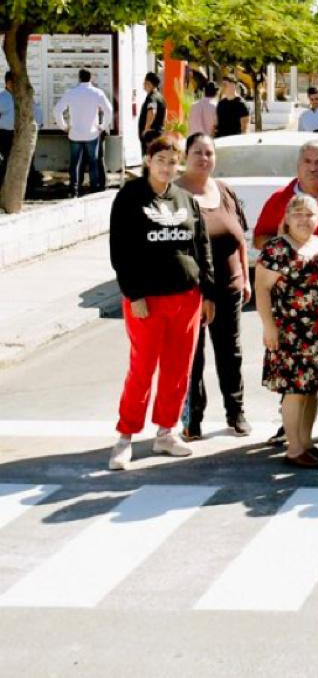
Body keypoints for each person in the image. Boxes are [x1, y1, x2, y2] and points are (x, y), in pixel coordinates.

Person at [107, 135, 216, 470]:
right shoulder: (130, 197)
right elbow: (120, 250)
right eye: (161, 160)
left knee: (178, 368)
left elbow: (202, 246)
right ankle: (125, 436)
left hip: (186, 297)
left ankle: (166, 432)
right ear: (148, 160)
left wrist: (208, 292)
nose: (167, 167)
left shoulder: (185, 198)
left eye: (172, 161)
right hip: (147, 300)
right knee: (142, 368)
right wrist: (134, 293)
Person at [253, 138, 318, 443]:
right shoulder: (280, 199)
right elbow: (259, 239)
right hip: (290, 310)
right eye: (308, 162)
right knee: (293, 371)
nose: (313, 168)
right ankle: (291, 431)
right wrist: (287, 243)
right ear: (298, 165)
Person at [256, 194, 318, 469]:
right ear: (287, 218)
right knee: (295, 391)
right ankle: (294, 448)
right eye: (298, 214)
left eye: (310, 214)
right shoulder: (276, 249)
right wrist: (268, 326)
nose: (304, 219)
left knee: (312, 390)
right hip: (292, 333)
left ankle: (306, 443)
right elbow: (262, 289)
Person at [176, 133, 252, 441]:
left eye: (209, 153)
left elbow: (240, 238)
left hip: (229, 287)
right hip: (190, 290)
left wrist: (245, 278)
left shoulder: (224, 190)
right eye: (198, 152)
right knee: (192, 357)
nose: (204, 158)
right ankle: (192, 418)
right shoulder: (175, 194)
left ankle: (236, 412)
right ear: (186, 155)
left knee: (230, 352)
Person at [53, 68, 113, 197]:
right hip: (92, 133)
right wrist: (102, 126)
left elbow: (57, 110)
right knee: (93, 162)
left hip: (75, 133)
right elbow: (109, 110)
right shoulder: (97, 93)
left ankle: (74, 189)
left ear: (79, 78)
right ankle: (94, 188)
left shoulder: (71, 93)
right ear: (91, 78)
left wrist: (64, 126)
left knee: (75, 162)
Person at [139, 71, 166, 147]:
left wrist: (146, 129)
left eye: (144, 83)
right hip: (158, 133)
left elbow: (152, 111)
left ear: (149, 83)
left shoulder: (152, 97)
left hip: (151, 135)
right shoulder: (160, 97)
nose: (143, 85)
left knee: (149, 153)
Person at [0, 71, 14, 189]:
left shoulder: (19, 96)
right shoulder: (2, 98)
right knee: (7, 160)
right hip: (5, 134)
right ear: (9, 83)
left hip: (18, 134)